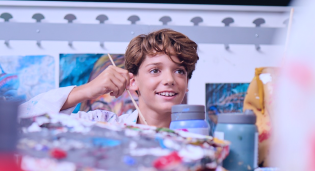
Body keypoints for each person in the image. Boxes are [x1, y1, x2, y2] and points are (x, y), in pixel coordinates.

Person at [19, 29, 199, 128]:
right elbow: (19, 121)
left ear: (187, 83)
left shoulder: (198, 135)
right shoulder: (104, 126)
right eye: (155, 70)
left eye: (179, 71)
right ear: (133, 81)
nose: (169, 79)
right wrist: (85, 90)